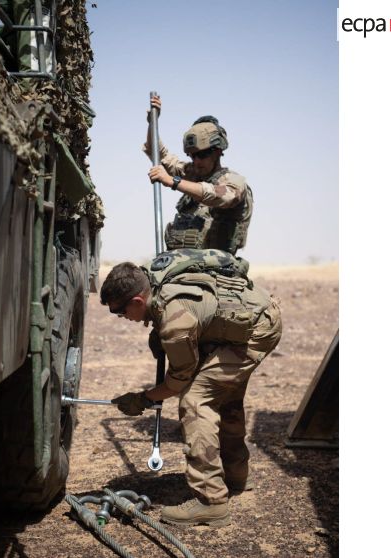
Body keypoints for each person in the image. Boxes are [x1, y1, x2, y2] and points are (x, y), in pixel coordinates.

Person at [101, 249, 282, 527]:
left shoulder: (175, 322)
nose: (120, 316)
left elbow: (178, 381)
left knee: (196, 401)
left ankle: (211, 503)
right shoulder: (152, 277)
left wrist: (143, 398)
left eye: (120, 310)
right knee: (224, 394)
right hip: (244, 317)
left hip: (256, 331)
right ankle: (236, 476)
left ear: (138, 299)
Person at [144, 96, 254, 255]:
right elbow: (158, 153)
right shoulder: (192, 172)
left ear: (217, 152)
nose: (196, 161)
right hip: (182, 263)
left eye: (202, 155)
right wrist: (152, 124)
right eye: (192, 156)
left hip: (217, 268)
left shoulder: (234, 181)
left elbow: (220, 195)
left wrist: (173, 181)